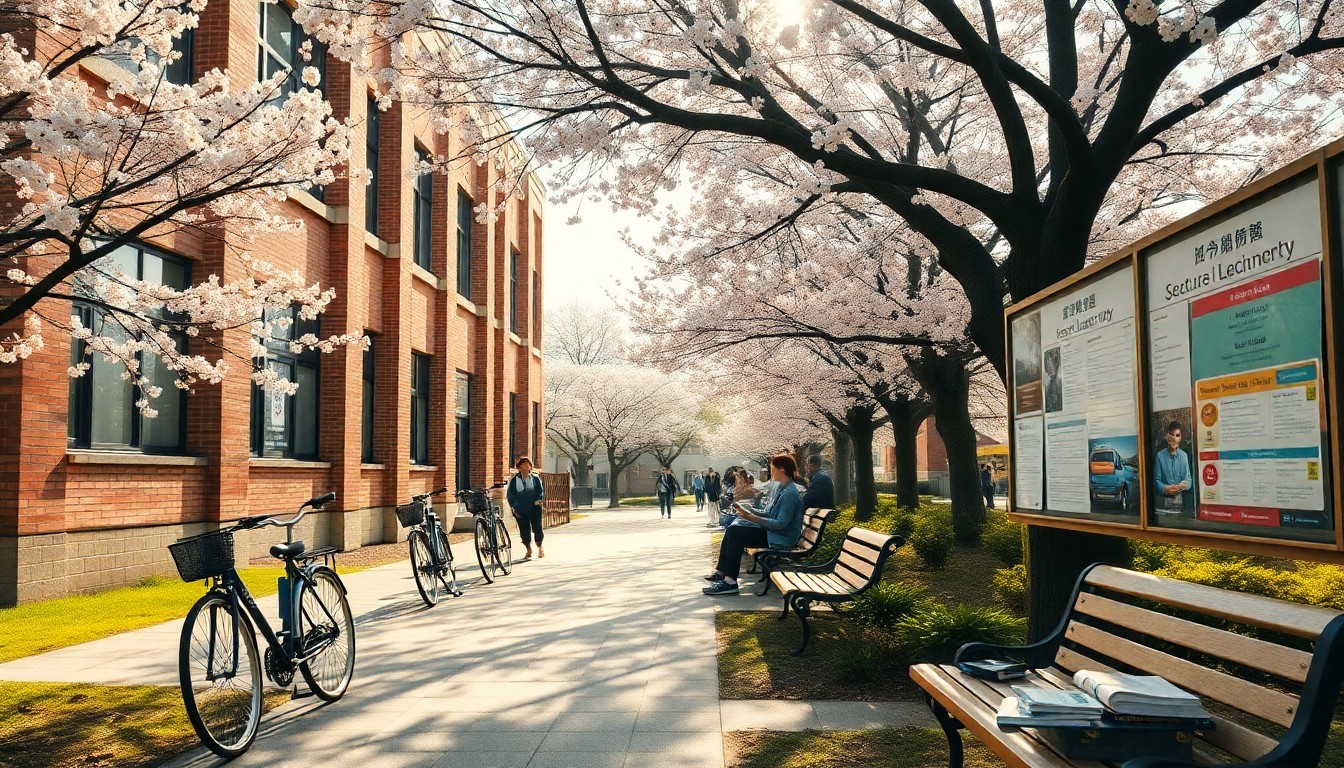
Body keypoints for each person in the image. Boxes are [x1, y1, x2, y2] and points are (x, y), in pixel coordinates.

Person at [703, 455, 805, 595]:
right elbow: (768, 512)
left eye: (772, 468)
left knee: (735, 533)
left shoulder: (789, 493)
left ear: (781, 469)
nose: (770, 471)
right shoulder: (783, 489)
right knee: (733, 529)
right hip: (773, 534)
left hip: (781, 538)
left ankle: (730, 582)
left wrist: (752, 518)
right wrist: (747, 511)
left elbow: (781, 524)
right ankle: (723, 573)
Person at [506, 457, 546, 560]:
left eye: (527, 464)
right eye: (522, 465)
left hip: (534, 507)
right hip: (521, 508)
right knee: (524, 530)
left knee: (537, 527)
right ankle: (528, 549)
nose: (525, 467)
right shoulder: (515, 480)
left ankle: (540, 547)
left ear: (530, 467)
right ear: (518, 468)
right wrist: (514, 508)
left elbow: (540, 491)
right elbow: (511, 495)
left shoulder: (535, 478)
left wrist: (539, 499)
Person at [1154, 420, 1192, 514]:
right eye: (1172, 434)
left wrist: (1180, 486)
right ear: (1167, 435)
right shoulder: (1160, 455)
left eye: (1177, 435)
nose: (1174, 438)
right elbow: (1156, 480)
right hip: (1162, 505)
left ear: (1181, 437)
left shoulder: (1184, 456)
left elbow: (1188, 480)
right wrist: (1164, 488)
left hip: (1178, 504)